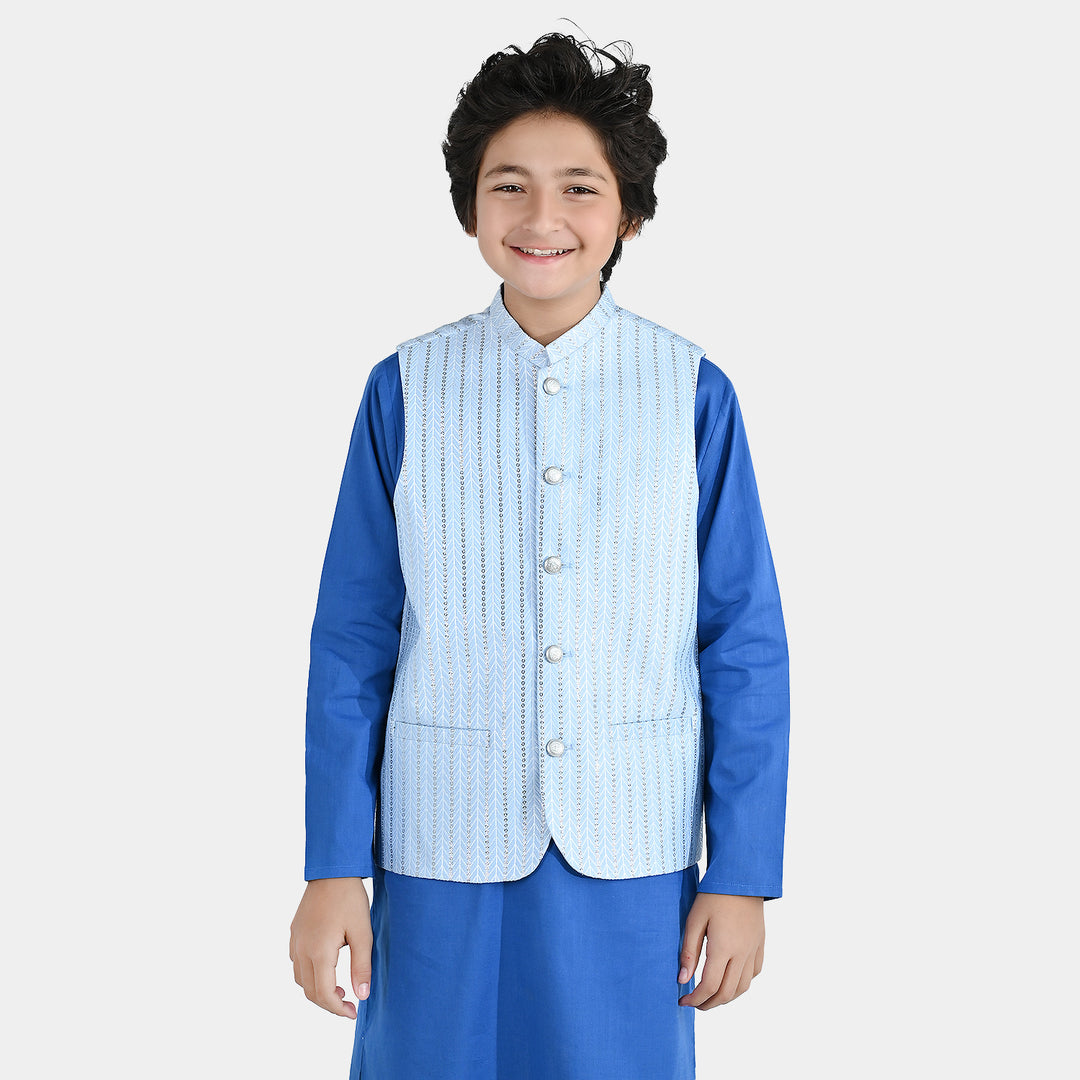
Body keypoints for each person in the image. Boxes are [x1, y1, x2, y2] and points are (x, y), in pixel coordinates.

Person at [289, 32, 789, 1080]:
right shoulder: (405, 389)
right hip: (439, 844)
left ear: (630, 213)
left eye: (580, 188)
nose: (541, 217)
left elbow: (742, 645)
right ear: (470, 206)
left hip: (633, 846)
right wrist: (333, 864)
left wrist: (741, 871)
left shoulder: (692, 393)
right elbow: (352, 641)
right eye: (508, 185)